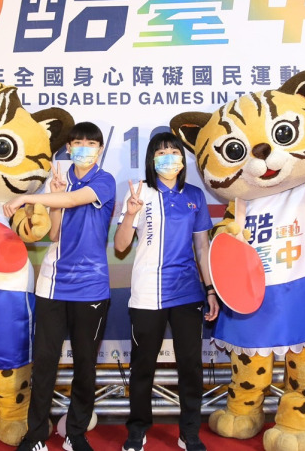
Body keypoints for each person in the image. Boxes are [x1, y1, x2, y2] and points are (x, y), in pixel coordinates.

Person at [4, 121, 116, 451]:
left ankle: (75, 434)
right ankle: (36, 434)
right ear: (68, 148)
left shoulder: (104, 180)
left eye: (91, 144)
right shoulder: (59, 185)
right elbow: (54, 234)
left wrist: (29, 197)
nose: (84, 149)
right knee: (44, 363)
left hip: (91, 288)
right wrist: (51, 202)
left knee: (85, 365)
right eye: (77, 143)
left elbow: (73, 200)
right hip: (52, 285)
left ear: (100, 150)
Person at [113, 131, 218, 451]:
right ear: (151, 159)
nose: (168, 157)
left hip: (187, 293)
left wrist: (210, 290)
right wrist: (131, 214)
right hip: (147, 294)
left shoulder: (195, 195)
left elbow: (202, 247)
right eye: (160, 153)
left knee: (191, 367)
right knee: (142, 366)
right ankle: (137, 430)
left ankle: (189, 433)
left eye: (174, 151)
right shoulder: (139, 192)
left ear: (183, 160)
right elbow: (120, 246)